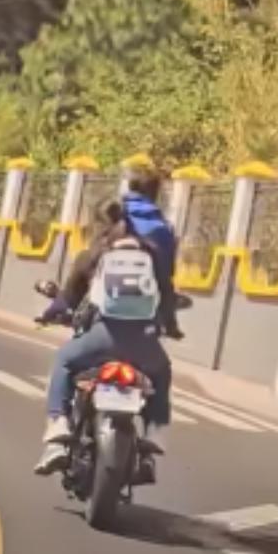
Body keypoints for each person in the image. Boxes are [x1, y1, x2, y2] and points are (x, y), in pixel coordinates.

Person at [34, 168, 182, 476]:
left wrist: (49, 315)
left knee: (64, 361)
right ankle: (153, 435)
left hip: (100, 337)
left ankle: (58, 429)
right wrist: (170, 327)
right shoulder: (153, 253)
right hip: (143, 343)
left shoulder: (94, 254)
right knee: (162, 371)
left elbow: (68, 299)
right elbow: (166, 298)